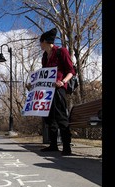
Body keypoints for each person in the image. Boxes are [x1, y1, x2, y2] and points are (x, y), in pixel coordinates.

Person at [38, 27, 75, 155]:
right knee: (49, 118)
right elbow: (44, 74)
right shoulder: (44, 56)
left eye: (40, 42)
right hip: (47, 91)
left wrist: (63, 81)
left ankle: (66, 147)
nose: (40, 44)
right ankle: (53, 145)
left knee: (61, 117)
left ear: (45, 41)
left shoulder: (61, 52)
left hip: (59, 89)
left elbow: (71, 71)